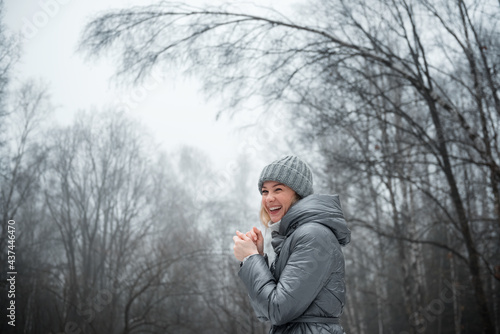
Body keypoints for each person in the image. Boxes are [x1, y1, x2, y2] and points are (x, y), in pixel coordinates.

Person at [233, 155, 351, 334]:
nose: (269, 198)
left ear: (298, 194)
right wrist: (258, 259)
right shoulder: (294, 237)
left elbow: (278, 310)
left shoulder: (313, 236)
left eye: (278, 189)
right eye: (264, 191)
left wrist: (251, 259)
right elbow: (264, 313)